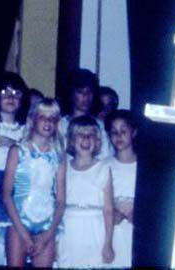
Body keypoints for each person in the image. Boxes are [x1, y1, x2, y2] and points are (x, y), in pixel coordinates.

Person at [1, 98, 66, 268]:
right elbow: (6, 195)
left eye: (52, 118)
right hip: (19, 222)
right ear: (33, 119)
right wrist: (23, 233)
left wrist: (49, 233)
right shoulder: (18, 151)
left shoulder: (59, 155)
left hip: (47, 223)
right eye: (43, 117)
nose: (48, 122)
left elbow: (61, 200)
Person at [58, 115, 115, 268]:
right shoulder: (64, 167)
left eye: (91, 135)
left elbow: (108, 210)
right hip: (69, 229)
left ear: (97, 141)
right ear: (71, 140)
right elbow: (57, 204)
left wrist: (108, 243)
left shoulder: (104, 168)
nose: (86, 138)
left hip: (95, 229)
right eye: (80, 135)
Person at [0, 72, 30, 265]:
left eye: (16, 93)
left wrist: (12, 143)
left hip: (15, 188)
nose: (10, 97)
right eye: (4, 92)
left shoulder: (26, 130)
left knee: (11, 238)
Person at [105, 109, 137, 267]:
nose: (118, 136)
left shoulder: (144, 167)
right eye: (113, 132)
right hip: (112, 235)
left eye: (123, 131)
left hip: (135, 235)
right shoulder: (104, 166)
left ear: (134, 133)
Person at [58, 68, 112, 158]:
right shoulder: (60, 125)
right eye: (80, 92)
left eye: (89, 92)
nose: (86, 96)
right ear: (71, 94)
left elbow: (105, 156)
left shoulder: (100, 126)